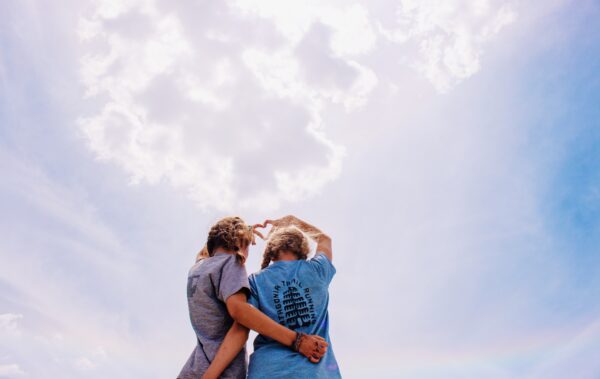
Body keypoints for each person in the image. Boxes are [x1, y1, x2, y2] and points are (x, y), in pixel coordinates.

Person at [177, 216, 328, 379]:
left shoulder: (198, 268)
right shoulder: (232, 263)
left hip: (197, 367)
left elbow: (209, 250)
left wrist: (242, 232)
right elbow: (241, 315)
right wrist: (297, 340)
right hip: (224, 372)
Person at [247, 215, 342, 378]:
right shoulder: (317, 270)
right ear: (303, 249)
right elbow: (324, 239)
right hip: (313, 373)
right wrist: (292, 221)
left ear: (271, 250)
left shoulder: (255, 281)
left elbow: (246, 317)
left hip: (267, 371)